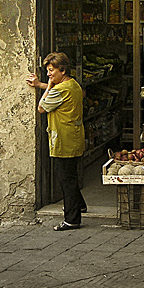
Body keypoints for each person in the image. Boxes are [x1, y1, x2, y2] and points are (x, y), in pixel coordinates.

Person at [26, 52, 87, 231]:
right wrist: (41, 85)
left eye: (51, 70)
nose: (49, 74)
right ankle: (79, 205)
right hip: (73, 136)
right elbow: (57, 90)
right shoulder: (72, 84)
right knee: (71, 175)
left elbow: (42, 107)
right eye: (48, 71)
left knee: (66, 179)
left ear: (62, 70)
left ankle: (72, 219)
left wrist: (46, 86)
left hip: (63, 139)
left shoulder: (60, 90)